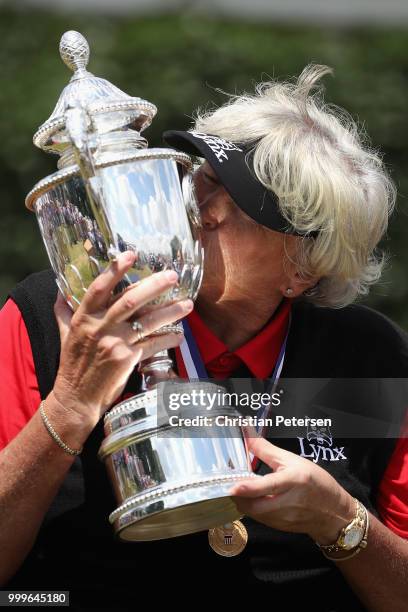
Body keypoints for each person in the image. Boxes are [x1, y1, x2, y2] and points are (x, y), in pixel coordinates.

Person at [0, 64, 407, 610]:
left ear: (304, 270)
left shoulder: (372, 359)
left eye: (243, 207)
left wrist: (339, 521)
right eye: (202, 175)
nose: (199, 208)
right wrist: (72, 404)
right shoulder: (54, 313)